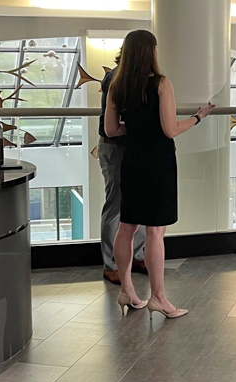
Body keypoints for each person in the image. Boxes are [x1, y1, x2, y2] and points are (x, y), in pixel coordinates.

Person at [104, 30, 214, 316]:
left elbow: (111, 130)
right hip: (158, 162)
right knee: (155, 231)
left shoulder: (117, 85)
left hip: (132, 161)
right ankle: (159, 298)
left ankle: (127, 291)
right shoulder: (162, 84)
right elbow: (170, 130)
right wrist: (198, 117)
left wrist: (138, 128)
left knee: (127, 226)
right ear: (151, 51)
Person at [98, 53, 147, 285]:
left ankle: (136, 257)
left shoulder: (129, 77)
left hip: (130, 148)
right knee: (116, 206)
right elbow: (117, 122)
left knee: (137, 204)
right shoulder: (118, 78)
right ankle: (112, 265)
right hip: (115, 148)